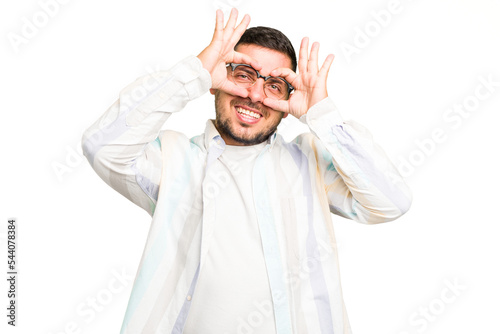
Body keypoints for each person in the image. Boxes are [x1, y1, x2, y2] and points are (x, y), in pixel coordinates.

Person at [82, 8, 412, 334]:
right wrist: (193, 73)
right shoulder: (173, 159)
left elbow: (391, 201)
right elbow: (103, 146)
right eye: (244, 75)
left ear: (287, 107)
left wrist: (321, 115)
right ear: (216, 82)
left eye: (274, 86)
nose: (254, 95)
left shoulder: (310, 160)